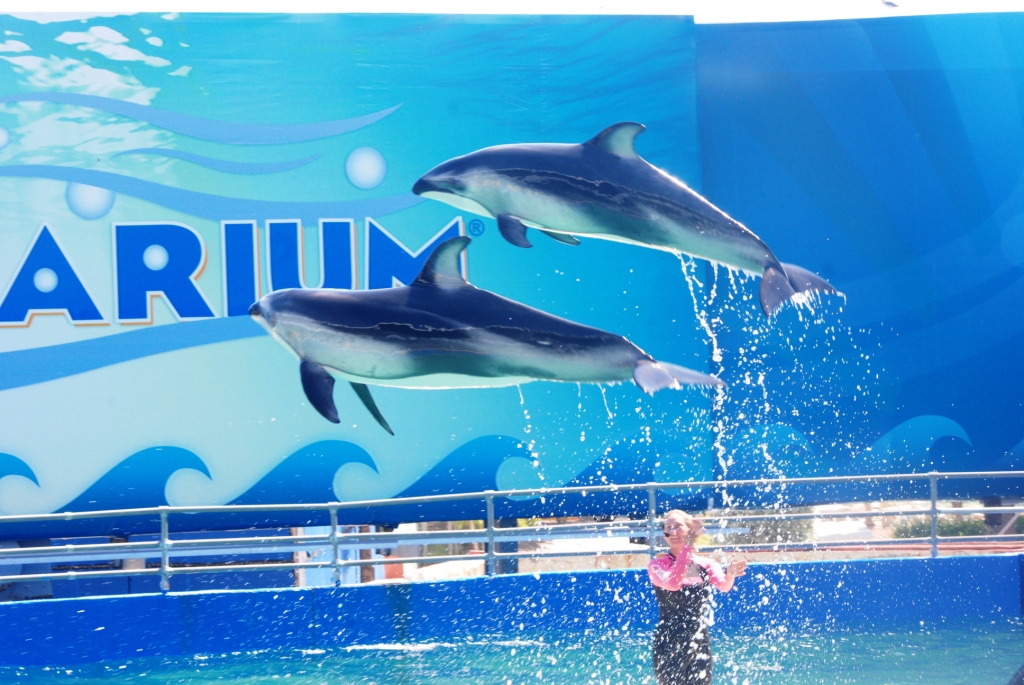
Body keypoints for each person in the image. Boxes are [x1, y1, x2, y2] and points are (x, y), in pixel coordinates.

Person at [647, 509, 748, 685]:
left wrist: (730, 574)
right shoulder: (657, 565)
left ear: (689, 530)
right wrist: (687, 548)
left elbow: (723, 585)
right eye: (668, 527)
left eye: (678, 526)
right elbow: (673, 583)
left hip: (698, 639)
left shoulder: (706, 564)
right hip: (668, 640)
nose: (673, 531)